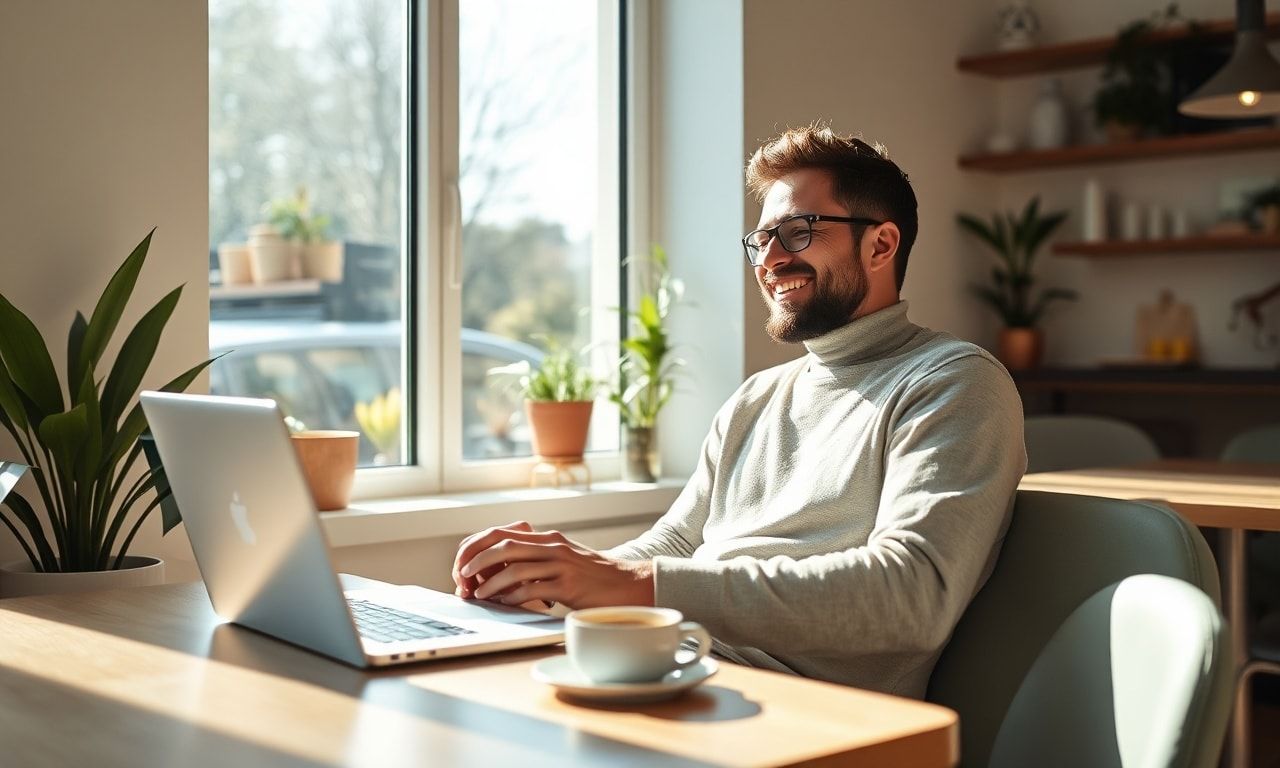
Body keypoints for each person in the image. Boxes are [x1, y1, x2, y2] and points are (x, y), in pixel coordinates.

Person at [452, 124, 1026, 698]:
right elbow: (677, 544)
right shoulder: (757, 398)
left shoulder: (954, 381)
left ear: (880, 245)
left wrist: (631, 585)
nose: (770, 260)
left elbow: (913, 594)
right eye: (761, 239)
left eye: (798, 232)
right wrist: (558, 582)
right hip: (670, 673)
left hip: (796, 712)